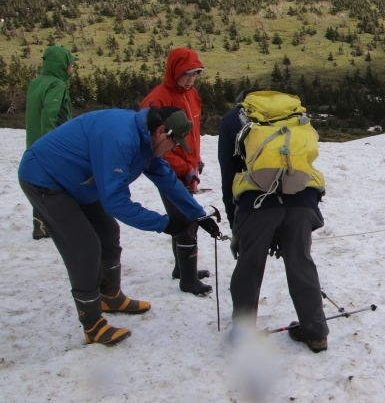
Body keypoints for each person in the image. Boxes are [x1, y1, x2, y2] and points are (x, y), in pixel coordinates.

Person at [18, 106, 220, 346]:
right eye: (174, 143)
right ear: (162, 131)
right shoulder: (121, 139)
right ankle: (92, 325)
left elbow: (166, 178)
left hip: (82, 183)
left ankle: (110, 295)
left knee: (108, 233)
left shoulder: (146, 141)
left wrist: (198, 215)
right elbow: (116, 202)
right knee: (85, 248)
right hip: (46, 179)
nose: (174, 148)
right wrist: (164, 224)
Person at [218, 89, 329, 352]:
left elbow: (229, 170)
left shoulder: (236, 118)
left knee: (249, 266)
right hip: (302, 199)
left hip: (255, 203)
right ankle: (316, 332)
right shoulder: (294, 116)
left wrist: (234, 217)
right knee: (300, 263)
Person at [140, 47, 211, 296]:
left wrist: (195, 158)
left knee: (182, 214)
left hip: (186, 166)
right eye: (186, 74)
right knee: (187, 219)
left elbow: (192, 130)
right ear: (174, 70)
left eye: (195, 74)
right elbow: (155, 145)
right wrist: (184, 168)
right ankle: (188, 279)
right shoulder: (157, 99)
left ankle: (182, 269)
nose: (191, 79)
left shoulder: (192, 94)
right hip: (167, 169)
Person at [24, 45, 76, 239]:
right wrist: (53, 145)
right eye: (70, 64)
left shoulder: (35, 83)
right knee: (55, 185)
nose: (71, 68)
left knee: (40, 182)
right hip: (53, 143)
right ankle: (52, 225)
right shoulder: (57, 85)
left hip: (34, 141)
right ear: (61, 65)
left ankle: (39, 225)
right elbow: (49, 114)